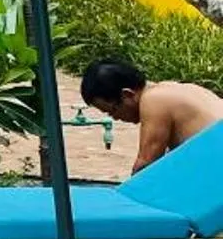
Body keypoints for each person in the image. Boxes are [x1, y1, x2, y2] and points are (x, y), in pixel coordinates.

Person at [78, 57, 223, 171]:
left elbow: (146, 163)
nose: (115, 118)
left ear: (127, 94)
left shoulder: (153, 100)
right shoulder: (174, 88)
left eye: (112, 111)